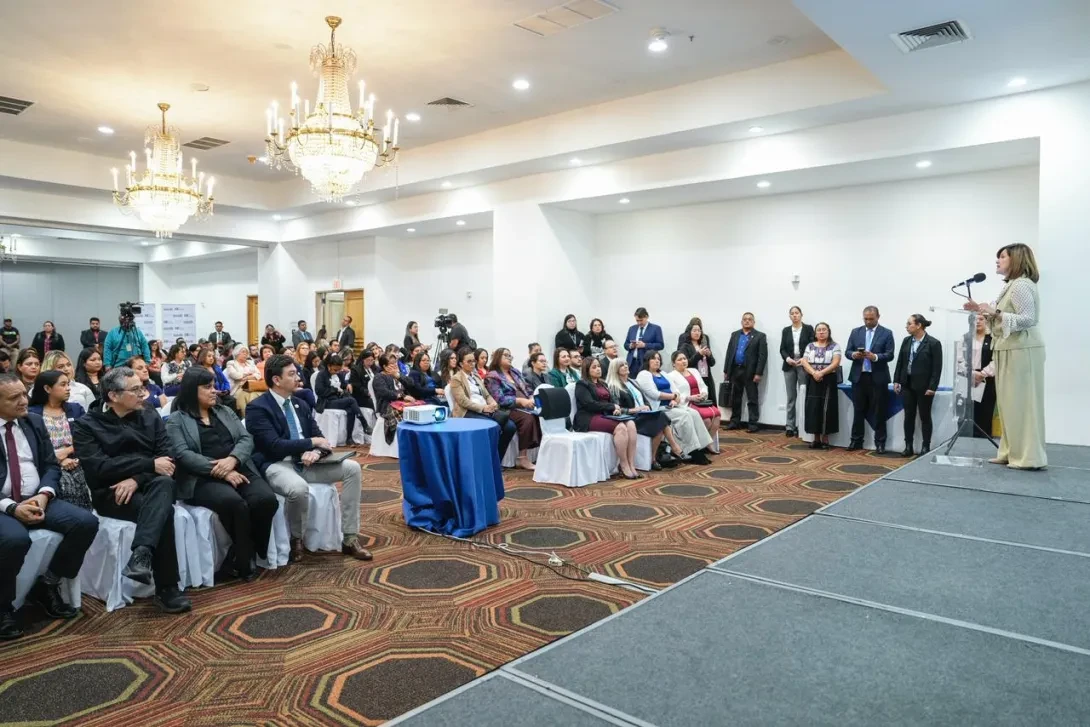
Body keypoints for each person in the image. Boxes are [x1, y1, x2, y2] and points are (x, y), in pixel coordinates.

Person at [72, 367, 191, 613]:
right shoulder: (87, 425)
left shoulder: (149, 414)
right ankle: (167, 587)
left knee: (165, 484)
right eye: (135, 390)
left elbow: (167, 458)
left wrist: (137, 478)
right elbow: (99, 468)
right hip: (112, 494)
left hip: (150, 484)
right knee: (164, 510)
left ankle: (141, 555)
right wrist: (148, 465)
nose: (143, 394)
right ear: (113, 396)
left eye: (142, 387)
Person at [0, 373, 99, 640]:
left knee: (86, 522)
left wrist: (44, 494)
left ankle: (48, 584)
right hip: (3, 504)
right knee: (15, 539)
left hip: (38, 497)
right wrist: (12, 508)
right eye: (14, 398)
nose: (24, 401)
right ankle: (3, 609)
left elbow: (50, 465)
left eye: (24, 394)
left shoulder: (32, 421)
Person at [245, 355, 371, 562]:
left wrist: (316, 452)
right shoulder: (258, 408)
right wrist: (310, 443)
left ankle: (349, 537)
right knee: (298, 488)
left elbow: (321, 439)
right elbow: (274, 446)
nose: (299, 378)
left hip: (308, 462)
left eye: (297, 373)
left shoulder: (300, 404)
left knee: (353, 468)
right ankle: (297, 539)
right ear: (276, 380)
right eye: (292, 374)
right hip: (277, 463)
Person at [168, 368, 279, 581]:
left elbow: (246, 439)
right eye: (207, 387)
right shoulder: (177, 420)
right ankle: (244, 560)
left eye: (214, 386)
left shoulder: (224, 411)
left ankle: (243, 550)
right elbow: (182, 454)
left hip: (239, 467)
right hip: (201, 477)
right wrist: (222, 472)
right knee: (235, 504)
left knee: (266, 500)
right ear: (191, 390)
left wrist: (233, 460)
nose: (214, 391)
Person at [964, 243, 1047, 470]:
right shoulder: (1010, 285)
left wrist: (994, 312)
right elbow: (1003, 318)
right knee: (1009, 405)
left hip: (1022, 349)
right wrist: (982, 310)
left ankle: (1028, 457)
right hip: (1009, 348)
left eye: (1002, 256)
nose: (997, 260)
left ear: (1017, 259)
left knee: (1022, 404)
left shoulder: (1021, 285)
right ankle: (1011, 452)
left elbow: (1028, 319)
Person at [27, 371, 93, 509]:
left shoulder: (75, 409)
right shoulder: (31, 413)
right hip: (47, 464)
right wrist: (58, 460)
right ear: (47, 388)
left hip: (77, 460)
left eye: (68, 384)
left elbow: (87, 438)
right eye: (63, 385)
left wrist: (67, 452)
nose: (68, 388)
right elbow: (32, 446)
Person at [635, 351, 712, 464]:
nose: (657, 361)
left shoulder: (663, 373)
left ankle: (701, 447)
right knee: (684, 416)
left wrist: (674, 399)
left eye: (658, 359)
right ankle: (692, 451)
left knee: (694, 413)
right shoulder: (644, 374)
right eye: (653, 358)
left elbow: (676, 390)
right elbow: (654, 394)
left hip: (671, 405)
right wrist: (673, 396)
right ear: (647, 360)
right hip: (658, 408)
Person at [607, 359, 684, 471]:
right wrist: (637, 409)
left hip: (644, 414)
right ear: (615, 370)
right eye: (621, 366)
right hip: (632, 418)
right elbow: (618, 409)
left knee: (660, 422)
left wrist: (647, 406)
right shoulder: (613, 387)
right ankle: (672, 449)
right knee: (661, 420)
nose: (625, 366)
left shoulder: (633, 382)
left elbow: (644, 399)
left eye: (626, 364)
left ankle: (655, 458)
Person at [574, 357, 639, 479]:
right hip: (589, 417)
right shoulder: (582, 384)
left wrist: (615, 409)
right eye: (594, 367)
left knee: (630, 424)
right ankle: (623, 464)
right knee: (620, 428)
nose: (598, 369)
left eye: (598, 366)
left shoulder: (603, 383)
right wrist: (611, 406)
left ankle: (631, 463)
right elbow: (589, 404)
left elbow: (611, 401)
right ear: (586, 370)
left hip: (605, 414)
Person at [450, 348, 518, 460]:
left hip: (485, 409)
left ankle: (496, 459)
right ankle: (485, 459)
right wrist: (483, 408)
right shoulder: (456, 379)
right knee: (494, 427)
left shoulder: (476, 376)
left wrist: (493, 403)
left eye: (473, 361)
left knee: (510, 427)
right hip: (467, 412)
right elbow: (463, 401)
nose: (472, 364)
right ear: (461, 364)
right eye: (469, 361)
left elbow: (486, 395)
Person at [844, 306, 895, 454]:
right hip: (859, 377)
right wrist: (853, 355)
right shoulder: (856, 332)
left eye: (871, 319)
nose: (868, 321)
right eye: (865, 319)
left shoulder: (886, 333)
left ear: (878, 317)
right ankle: (856, 440)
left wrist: (875, 357)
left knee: (879, 411)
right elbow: (847, 351)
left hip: (878, 378)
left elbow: (890, 354)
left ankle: (880, 443)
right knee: (858, 410)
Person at [893, 314, 943, 457]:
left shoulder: (933, 343)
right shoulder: (906, 341)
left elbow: (937, 368)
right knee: (908, 415)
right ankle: (908, 445)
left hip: (924, 386)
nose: (906, 326)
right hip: (907, 384)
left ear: (919, 325)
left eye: (909, 324)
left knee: (924, 416)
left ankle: (925, 446)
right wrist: (896, 380)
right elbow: (900, 362)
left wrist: (932, 387)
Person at [485, 348, 541, 469]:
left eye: (510, 355)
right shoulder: (492, 376)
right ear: (498, 358)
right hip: (507, 408)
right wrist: (520, 401)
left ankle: (541, 455)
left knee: (542, 415)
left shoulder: (515, 372)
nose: (509, 357)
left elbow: (527, 387)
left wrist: (531, 397)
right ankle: (522, 458)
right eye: (506, 355)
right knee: (528, 418)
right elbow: (500, 399)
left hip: (526, 404)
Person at [723, 313, 768, 433]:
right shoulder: (735, 335)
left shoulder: (760, 336)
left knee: (752, 399)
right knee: (735, 398)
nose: (747, 321)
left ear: (753, 322)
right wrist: (726, 370)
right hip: (735, 370)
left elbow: (762, 356)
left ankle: (753, 424)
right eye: (745, 319)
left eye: (749, 319)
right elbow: (729, 353)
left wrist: (758, 373)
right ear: (741, 321)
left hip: (751, 372)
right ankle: (734, 422)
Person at [800, 323, 841, 450]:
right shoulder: (810, 346)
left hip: (828, 379)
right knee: (813, 408)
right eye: (819, 330)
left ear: (828, 332)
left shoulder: (835, 346)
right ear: (815, 333)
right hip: (812, 380)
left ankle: (825, 439)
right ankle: (816, 438)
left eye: (824, 330)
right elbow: (804, 361)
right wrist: (814, 373)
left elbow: (836, 362)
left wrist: (822, 373)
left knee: (827, 408)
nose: (821, 332)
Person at [668, 350, 721, 446]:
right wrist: (690, 398)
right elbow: (674, 394)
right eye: (680, 359)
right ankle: (701, 444)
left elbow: (703, 386)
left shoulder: (694, 371)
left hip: (700, 401)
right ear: (673, 364)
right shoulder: (671, 376)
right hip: (687, 403)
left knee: (717, 415)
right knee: (706, 420)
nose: (683, 361)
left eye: (684, 358)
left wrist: (704, 393)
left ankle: (708, 444)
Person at [314, 354, 367, 442]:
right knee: (351, 400)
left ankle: (349, 437)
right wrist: (335, 390)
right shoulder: (322, 375)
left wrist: (347, 385)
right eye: (335, 370)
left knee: (351, 410)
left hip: (338, 399)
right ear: (329, 366)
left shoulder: (339, 374)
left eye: (339, 370)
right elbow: (319, 391)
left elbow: (343, 385)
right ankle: (364, 423)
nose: (337, 372)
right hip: (326, 402)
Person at [780, 306, 815, 438]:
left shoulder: (808, 328)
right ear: (789, 316)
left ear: (801, 315)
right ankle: (790, 426)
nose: (795, 315)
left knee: (804, 395)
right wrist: (787, 358)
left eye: (797, 313)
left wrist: (804, 359)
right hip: (789, 366)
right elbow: (782, 348)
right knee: (791, 397)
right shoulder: (786, 330)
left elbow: (812, 346)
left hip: (804, 365)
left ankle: (803, 426)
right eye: (792, 313)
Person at [960, 314, 997, 438]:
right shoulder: (965, 338)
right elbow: (959, 359)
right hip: (968, 378)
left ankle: (983, 439)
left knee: (985, 412)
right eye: (974, 319)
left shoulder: (993, 339)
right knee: (968, 412)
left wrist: (983, 374)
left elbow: (997, 360)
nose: (978, 322)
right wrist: (971, 373)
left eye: (981, 319)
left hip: (987, 379)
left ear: (986, 321)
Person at [373, 352, 417, 443]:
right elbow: (385, 393)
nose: (395, 365)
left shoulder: (398, 374)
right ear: (385, 366)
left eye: (395, 362)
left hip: (403, 403)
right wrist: (402, 396)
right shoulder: (379, 377)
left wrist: (398, 376)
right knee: (406, 413)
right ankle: (404, 440)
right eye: (392, 363)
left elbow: (411, 384)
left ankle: (414, 439)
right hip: (388, 405)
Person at [623, 308, 664, 376]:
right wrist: (630, 346)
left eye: (641, 320)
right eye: (637, 320)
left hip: (647, 363)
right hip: (632, 363)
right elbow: (625, 345)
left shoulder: (656, 328)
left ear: (646, 317)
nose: (639, 323)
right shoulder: (632, 329)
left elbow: (660, 345)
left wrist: (645, 345)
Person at [679, 322, 716, 398]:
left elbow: (712, 363)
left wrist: (709, 355)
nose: (697, 333)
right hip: (694, 378)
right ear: (689, 332)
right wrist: (699, 354)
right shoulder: (685, 346)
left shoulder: (703, 345)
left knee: (710, 399)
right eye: (694, 330)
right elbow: (687, 363)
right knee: (698, 400)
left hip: (707, 377)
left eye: (699, 331)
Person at [225, 344, 263, 412]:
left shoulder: (250, 363)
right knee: (248, 397)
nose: (245, 354)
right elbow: (235, 375)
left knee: (255, 395)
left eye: (246, 352)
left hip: (252, 387)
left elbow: (258, 375)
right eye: (243, 352)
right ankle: (245, 415)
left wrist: (246, 377)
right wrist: (248, 374)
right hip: (238, 388)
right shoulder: (231, 363)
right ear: (237, 353)